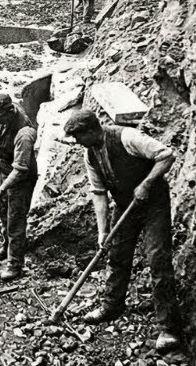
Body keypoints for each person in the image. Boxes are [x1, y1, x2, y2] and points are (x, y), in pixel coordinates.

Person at [64, 109, 181, 352]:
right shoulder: (90, 155)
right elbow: (99, 193)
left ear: (91, 131)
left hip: (153, 206)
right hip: (125, 205)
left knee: (157, 259)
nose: (77, 143)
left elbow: (167, 155)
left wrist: (146, 184)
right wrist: (102, 232)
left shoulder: (128, 137)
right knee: (117, 254)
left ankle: (168, 328)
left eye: (78, 137)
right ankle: (112, 306)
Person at [0, 93, 38, 281]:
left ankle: (15, 265)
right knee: (3, 211)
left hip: (20, 180)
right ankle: (6, 248)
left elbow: (20, 171)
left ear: (8, 112)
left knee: (15, 221)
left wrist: (0, 190)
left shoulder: (24, 134)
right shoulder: (5, 117)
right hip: (5, 172)